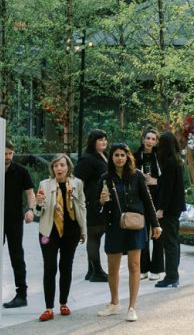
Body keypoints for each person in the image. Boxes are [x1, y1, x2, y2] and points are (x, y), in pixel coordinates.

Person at [36, 154, 89, 321]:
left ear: (68, 167)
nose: (59, 168)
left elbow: (81, 207)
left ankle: (64, 303)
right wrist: (38, 204)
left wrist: (83, 229)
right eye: (56, 166)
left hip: (71, 230)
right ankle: (48, 307)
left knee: (66, 266)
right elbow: (39, 211)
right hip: (49, 230)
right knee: (50, 267)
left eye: (62, 165)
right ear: (52, 168)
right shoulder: (44, 184)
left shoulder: (77, 184)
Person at [101, 144, 150, 321]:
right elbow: (95, 207)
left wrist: (156, 225)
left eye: (122, 155)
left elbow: (147, 200)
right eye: (116, 155)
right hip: (114, 225)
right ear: (111, 158)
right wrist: (102, 201)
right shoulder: (105, 178)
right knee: (112, 268)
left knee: (134, 266)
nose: (119, 158)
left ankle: (132, 307)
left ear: (127, 157)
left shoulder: (136, 176)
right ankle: (114, 303)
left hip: (135, 226)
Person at [146, 127, 186, 290]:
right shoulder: (177, 161)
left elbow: (167, 188)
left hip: (169, 209)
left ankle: (171, 276)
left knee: (169, 243)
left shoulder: (170, 163)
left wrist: (161, 209)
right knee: (174, 242)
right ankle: (173, 275)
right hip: (175, 208)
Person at [2, 143, 36, 310]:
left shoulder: (21, 171)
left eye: (10, 153)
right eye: (5, 153)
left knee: (16, 255)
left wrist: (30, 210)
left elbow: (30, 194)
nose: (8, 157)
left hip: (14, 218)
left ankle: (21, 294)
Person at [76, 130, 112, 284]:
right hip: (91, 201)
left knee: (97, 232)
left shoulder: (103, 156)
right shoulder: (88, 159)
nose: (103, 142)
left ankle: (91, 270)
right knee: (94, 234)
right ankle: (96, 271)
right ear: (93, 142)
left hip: (101, 200)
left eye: (105, 140)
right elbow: (78, 181)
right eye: (100, 140)